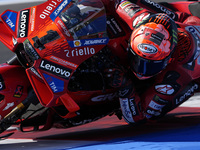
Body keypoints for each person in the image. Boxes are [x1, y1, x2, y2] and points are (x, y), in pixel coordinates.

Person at [103, 0, 200, 124]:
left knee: (154, 113)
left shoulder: (177, 73)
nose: (141, 70)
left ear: (169, 58)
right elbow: (115, 1)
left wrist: (126, 89)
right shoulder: (140, 18)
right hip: (185, 20)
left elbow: (140, 116)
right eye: (137, 59)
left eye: (151, 65)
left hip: (194, 74)